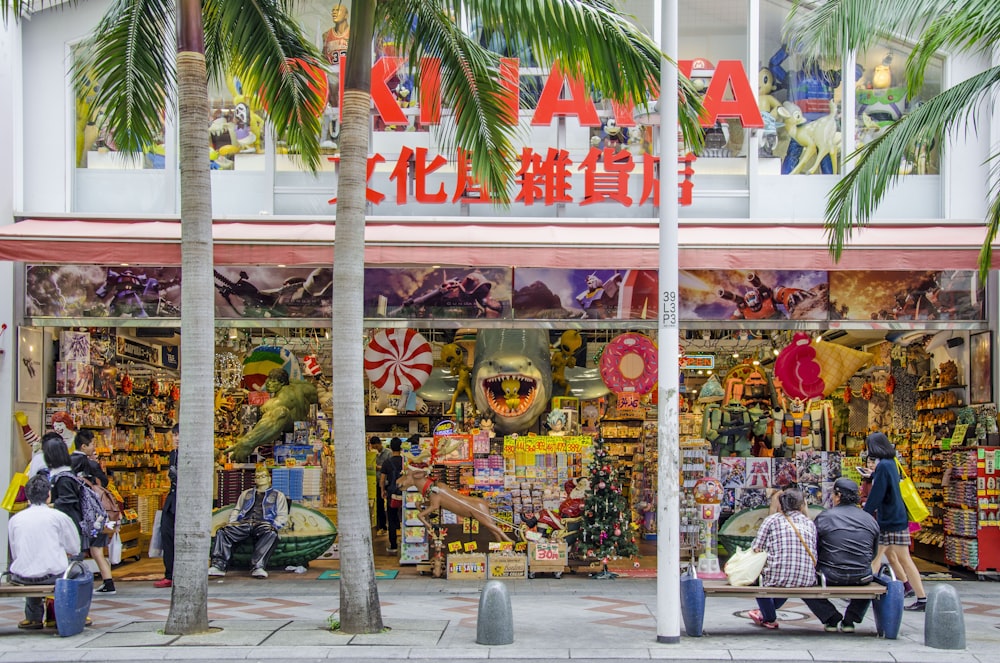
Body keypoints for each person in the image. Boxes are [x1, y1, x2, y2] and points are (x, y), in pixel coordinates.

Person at [802, 478, 880, 632]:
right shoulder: (870, 519)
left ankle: (831, 617)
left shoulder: (825, 517)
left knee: (802, 579)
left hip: (829, 576)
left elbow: (814, 549)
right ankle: (850, 619)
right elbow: (873, 553)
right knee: (869, 575)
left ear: (838, 495)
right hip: (861, 576)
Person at [7, 475, 84, 630]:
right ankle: (63, 614)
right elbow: (74, 548)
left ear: (28, 496)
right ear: (49, 495)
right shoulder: (59, 517)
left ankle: (33, 617)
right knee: (80, 570)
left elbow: (16, 553)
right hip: (53, 575)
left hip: (22, 576)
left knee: (31, 564)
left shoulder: (15, 519)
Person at [863, 431, 928, 611]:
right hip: (897, 517)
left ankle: (862, 594)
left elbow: (878, 493)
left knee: (877, 557)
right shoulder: (891, 463)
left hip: (888, 519)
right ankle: (921, 597)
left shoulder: (883, 465)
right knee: (901, 558)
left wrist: (865, 512)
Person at [747, 488, 817, 629]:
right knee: (787, 578)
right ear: (802, 504)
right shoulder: (809, 523)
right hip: (806, 578)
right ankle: (765, 612)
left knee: (758, 581)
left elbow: (756, 548)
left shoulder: (771, 520)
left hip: (777, 578)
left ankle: (769, 618)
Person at [209, 465, 289, 578]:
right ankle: (218, 565)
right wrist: (232, 522)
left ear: (269, 478)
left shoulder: (278, 495)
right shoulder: (246, 494)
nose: (260, 479)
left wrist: (275, 525)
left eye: (263, 476)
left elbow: (282, 514)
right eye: (258, 477)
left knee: (271, 533)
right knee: (222, 531)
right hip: (244, 523)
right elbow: (237, 509)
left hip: (264, 523)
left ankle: (258, 566)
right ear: (255, 479)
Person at [225, 368, 318, 461]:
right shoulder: (302, 388)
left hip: (289, 432)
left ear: (281, 383)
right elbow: (314, 392)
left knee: (280, 412)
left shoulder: (276, 402)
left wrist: (247, 442)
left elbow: (270, 421)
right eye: (268, 380)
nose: (268, 383)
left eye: (273, 381)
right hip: (300, 433)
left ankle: (247, 443)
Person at [71, 430, 116, 595]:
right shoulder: (90, 464)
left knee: (76, 548)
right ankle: (108, 582)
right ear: (84, 446)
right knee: (97, 548)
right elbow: (103, 483)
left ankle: (74, 581)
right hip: (94, 512)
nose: (94, 447)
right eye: (92, 444)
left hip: (77, 513)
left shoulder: (68, 463)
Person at [154, 446, 178, 588]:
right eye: (174, 435)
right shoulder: (173, 453)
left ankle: (173, 573)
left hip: (184, 499)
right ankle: (169, 573)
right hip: (171, 500)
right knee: (166, 534)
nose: (176, 438)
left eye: (179, 434)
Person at [380, 438, 404, 554]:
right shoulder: (406, 461)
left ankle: (393, 545)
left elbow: (382, 479)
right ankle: (407, 542)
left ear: (390, 447)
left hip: (392, 493)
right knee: (406, 517)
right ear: (401, 447)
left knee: (392, 518)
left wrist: (382, 491)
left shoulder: (387, 462)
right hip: (405, 493)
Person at [369, 436, 391, 536]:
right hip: (376, 483)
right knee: (379, 505)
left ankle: (392, 526)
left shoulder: (388, 453)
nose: (375, 448)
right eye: (373, 447)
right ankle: (382, 527)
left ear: (379, 444)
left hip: (387, 482)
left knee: (391, 505)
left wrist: (379, 468)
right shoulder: (373, 454)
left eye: (376, 446)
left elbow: (391, 467)